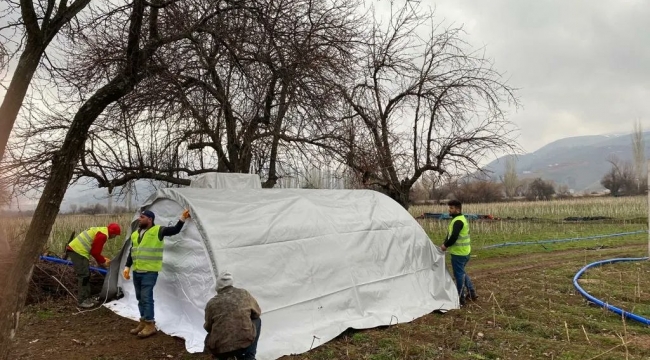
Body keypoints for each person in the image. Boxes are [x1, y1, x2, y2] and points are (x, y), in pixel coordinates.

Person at [122, 208, 191, 338]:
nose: (139, 219)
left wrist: (182, 218)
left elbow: (175, 230)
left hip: (150, 271)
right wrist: (127, 266)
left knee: (146, 297)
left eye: (142, 217)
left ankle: (150, 325)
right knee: (139, 297)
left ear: (150, 219)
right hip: (137, 271)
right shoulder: (136, 234)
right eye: (139, 217)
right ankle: (143, 321)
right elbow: (133, 251)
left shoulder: (158, 230)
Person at [204, 272, 262, 360]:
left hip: (220, 349)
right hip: (244, 344)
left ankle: (220, 357)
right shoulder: (244, 294)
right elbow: (257, 313)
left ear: (218, 286)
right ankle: (249, 356)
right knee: (257, 320)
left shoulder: (211, 303)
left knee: (210, 335)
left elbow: (208, 327)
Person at [66, 223, 122, 308]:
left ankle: (87, 298)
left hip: (77, 250)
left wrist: (102, 260)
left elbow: (96, 251)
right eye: (115, 235)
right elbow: (95, 252)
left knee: (86, 275)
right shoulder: (103, 236)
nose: (114, 237)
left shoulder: (102, 230)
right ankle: (82, 300)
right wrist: (102, 261)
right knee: (84, 275)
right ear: (113, 233)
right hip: (77, 251)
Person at [440, 199, 478, 306]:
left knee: (459, 275)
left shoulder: (458, 221)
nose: (449, 210)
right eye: (449, 207)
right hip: (465, 252)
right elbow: (449, 235)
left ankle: (460, 298)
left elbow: (454, 237)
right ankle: (472, 293)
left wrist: (445, 246)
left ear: (457, 209)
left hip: (459, 254)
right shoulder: (460, 219)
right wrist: (445, 242)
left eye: (451, 208)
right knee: (462, 272)